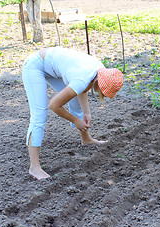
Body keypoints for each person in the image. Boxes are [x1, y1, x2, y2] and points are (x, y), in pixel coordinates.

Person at [22, 47, 123, 180]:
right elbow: (54, 105)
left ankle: (86, 139)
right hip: (34, 66)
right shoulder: (83, 78)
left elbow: (82, 89)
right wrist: (76, 120)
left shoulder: (100, 70)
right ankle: (34, 167)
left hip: (51, 65)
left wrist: (87, 113)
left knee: (75, 101)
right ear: (100, 83)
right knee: (39, 115)